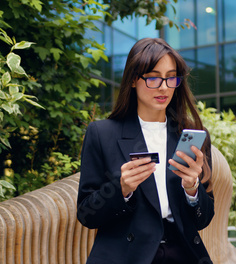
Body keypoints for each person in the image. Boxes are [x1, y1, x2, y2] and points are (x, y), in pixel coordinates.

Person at [77, 38, 214, 264]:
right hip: (127, 255)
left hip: (182, 252)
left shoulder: (191, 136)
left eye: (171, 78)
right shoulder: (103, 134)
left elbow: (203, 219)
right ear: (133, 80)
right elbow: (86, 214)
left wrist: (192, 189)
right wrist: (121, 189)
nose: (163, 87)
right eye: (153, 78)